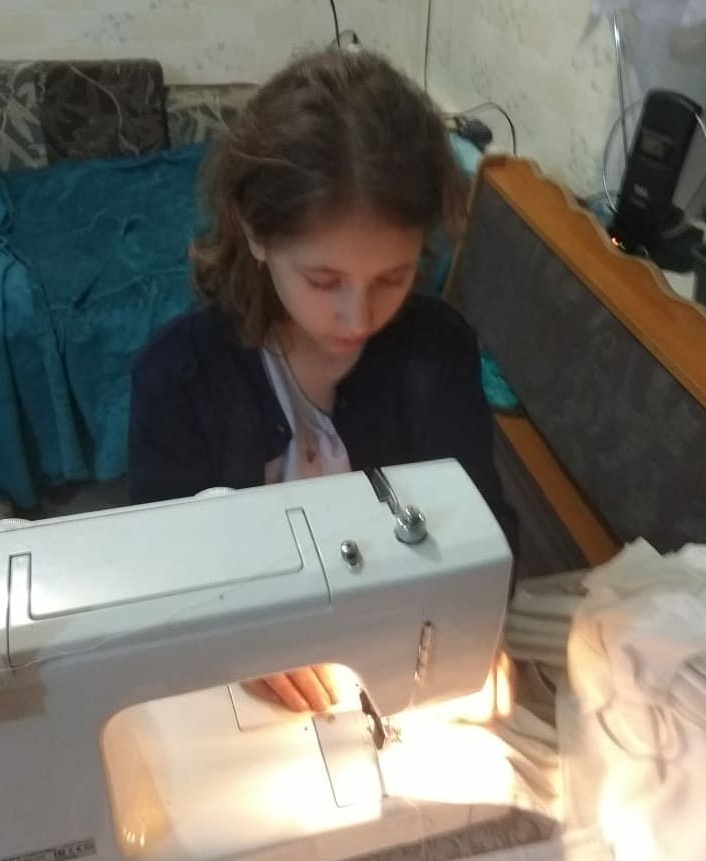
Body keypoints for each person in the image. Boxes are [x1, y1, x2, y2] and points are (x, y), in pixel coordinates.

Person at [128, 48, 517, 713]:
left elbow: (488, 527)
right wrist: (243, 639)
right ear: (254, 232)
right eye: (323, 280)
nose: (358, 318)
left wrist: (475, 613)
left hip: (390, 655)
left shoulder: (437, 352)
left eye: (393, 278)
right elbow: (159, 573)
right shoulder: (176, 379)